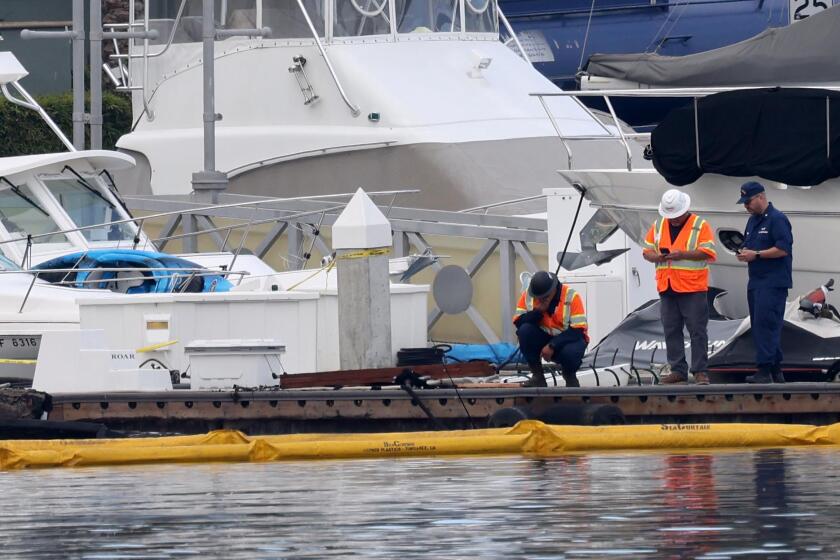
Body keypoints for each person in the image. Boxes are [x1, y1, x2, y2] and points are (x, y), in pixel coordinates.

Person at [642, 189, 717, 385]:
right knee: (671, 330)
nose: (673, 220)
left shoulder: (700, 225)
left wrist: (682, 254)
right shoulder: (658, 225)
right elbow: (647, 251)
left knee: (697, 330)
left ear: (685, 210)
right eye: (670, 216)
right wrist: (656, 257)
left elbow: (707, 252)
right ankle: (678, 370)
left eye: (676, 216)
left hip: (692, 287)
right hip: (667, 287)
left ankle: (700, 371)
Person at [735, 181, 793, 383]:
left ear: (760, 197)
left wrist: (757, 255)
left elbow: (783, 249)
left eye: (748, 201)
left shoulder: (777, 219)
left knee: (766, 324)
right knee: (758, 324)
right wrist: (744, 253)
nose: (746, 206)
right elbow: (749, 245)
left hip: (773, 281)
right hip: (756, 281)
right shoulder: (752, 221)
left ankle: (764, 370)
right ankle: (776, 370)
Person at [512, 270, 588, 387]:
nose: (541, 299)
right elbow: (518, 322)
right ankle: (538, 377)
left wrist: (552, 345)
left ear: (553, 290)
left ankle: (570, 376)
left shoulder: (571, 296)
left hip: (567, 340)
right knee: (524, 331)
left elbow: (577, 331)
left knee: (571, 352)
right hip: (543, 337)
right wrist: (538, 312)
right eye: (538, 297)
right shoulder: (528, 295)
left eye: (545, 297)